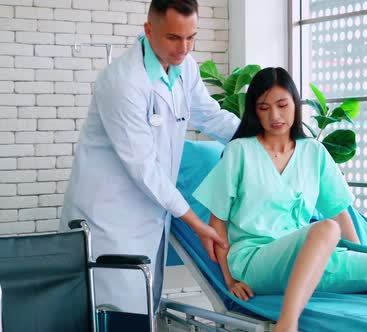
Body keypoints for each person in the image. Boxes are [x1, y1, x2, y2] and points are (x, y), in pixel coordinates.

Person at [193, 67, 367, 332]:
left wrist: (358, 258)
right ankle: (287, 324)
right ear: (254, 111)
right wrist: (229, 280)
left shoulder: (313, 152)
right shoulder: (239, 151)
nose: (274, 115)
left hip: (307, 256)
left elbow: (339, 212)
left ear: (295, 104)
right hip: (255, 259)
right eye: (264, 108)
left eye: (282, 105)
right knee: (326, 228)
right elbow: (217, 223)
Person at [59, 0, 239, 314]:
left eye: (191, 37)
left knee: (143, 310)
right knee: (111, 312)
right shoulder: (122, 81)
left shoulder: (186, 68)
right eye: (173, 38)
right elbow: (144, 168)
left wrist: (265, 138)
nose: (183, 48)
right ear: (148, 30)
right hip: (110, 219)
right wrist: (197, 224)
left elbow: (211, 117)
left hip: (152, 215)